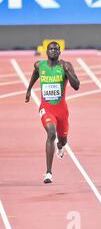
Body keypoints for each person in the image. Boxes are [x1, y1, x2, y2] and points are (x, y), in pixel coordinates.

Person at [25, 42, 80, 184]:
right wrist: (29, 89)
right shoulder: (39, 65)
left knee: (62, 140)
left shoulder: (66, 65)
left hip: (61, 110)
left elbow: (77, 86)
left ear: (60, 51)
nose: (54, 51)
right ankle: (48, 172)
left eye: (56, 49)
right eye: (51, 49)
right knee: (51, 133)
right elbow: (35, 74)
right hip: (46, 108)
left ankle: (60, 147)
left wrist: (67, 71)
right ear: (46, 51)